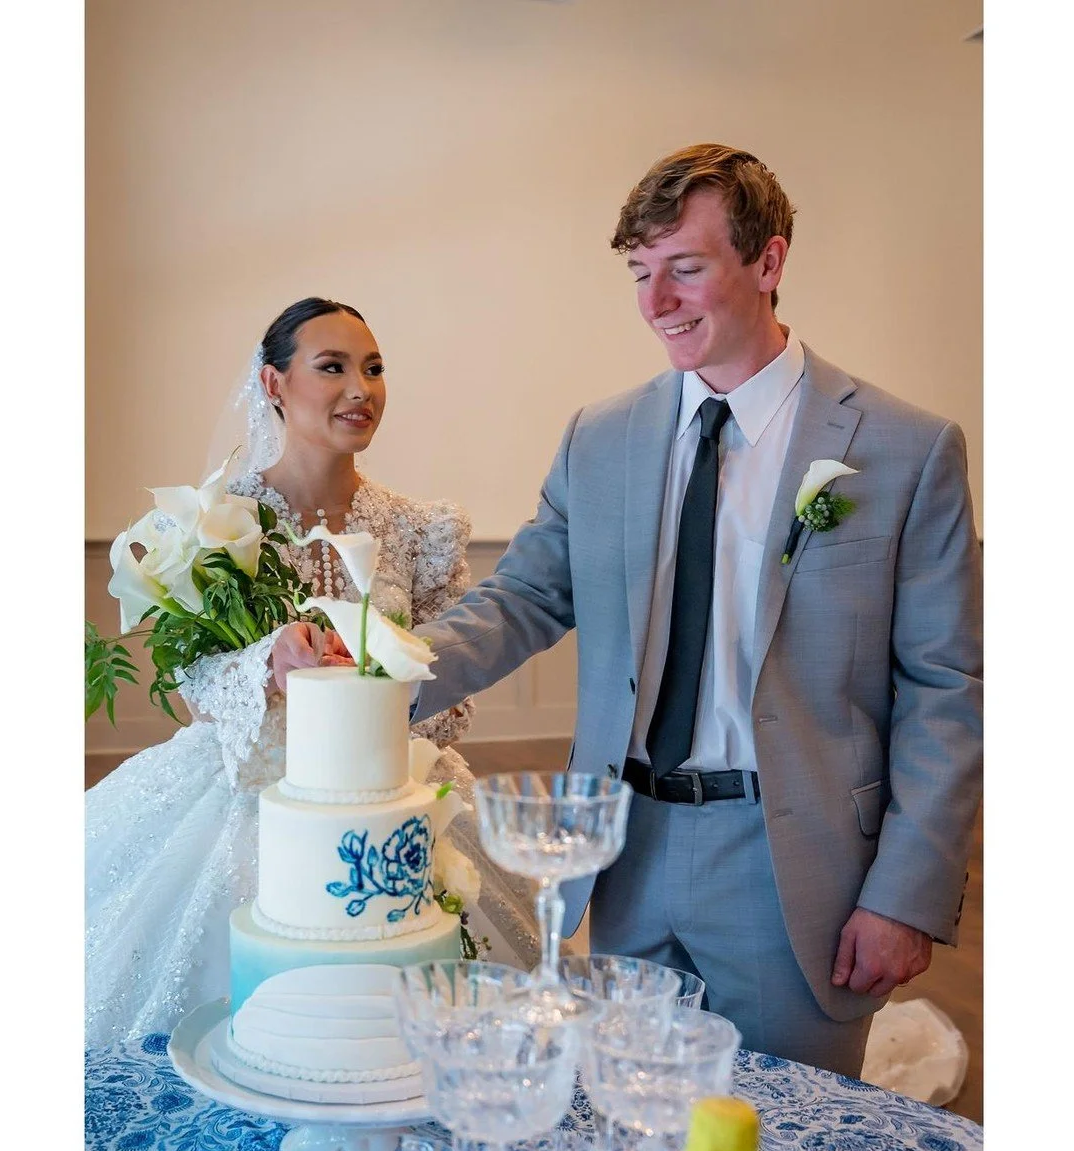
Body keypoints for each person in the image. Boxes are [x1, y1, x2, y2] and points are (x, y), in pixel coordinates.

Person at [409, 144, 983, 1078]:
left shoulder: (903, 449)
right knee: (636, 1132)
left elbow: (945, 688)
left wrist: (905, 896)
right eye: (640, 273)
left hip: (795, 862)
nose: (654, 302)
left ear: (769, 262)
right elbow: (522, 596)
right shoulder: (600, 437)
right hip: (625, 847)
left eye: (684, 268)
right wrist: (369, 677)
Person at [85, 297, 540, 1048]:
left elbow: (453, 697)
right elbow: (194, 688)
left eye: (373, 368)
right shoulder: (213, 520)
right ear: (272, 383)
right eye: (331, 367)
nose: (360, 388)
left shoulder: (421, 528)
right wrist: (269, 660)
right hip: (244, 794)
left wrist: (382, 682)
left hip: (391, 788)